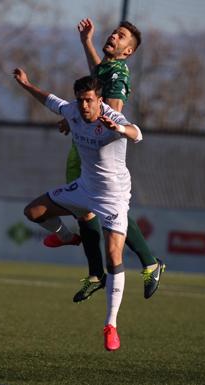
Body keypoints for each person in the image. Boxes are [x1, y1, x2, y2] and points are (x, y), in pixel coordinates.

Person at [14, 67, 141, 351]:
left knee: (113, 255)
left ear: (100, 101)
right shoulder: (72, 111)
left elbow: (136, 133)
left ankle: (111, 325)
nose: (83, 105)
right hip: (84, 189)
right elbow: (49, 100)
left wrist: (118, 129)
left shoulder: (111, 118)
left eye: (89, 100)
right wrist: (27, 84)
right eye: (80, 100)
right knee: (33, 211)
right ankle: (65, 236)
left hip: (113, 197)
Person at [45, 18, 165, 303]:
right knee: (90, 206)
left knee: (97, 206)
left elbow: (110, 110)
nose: (114, 35)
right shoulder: (108, 68)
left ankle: (123, 267)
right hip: (85, 143)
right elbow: (96, 81)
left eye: (121, 36)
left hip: (95, 148)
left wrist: (78, 120)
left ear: (128, 51)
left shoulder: (119, 73)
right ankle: (103, 272)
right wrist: (86, 41)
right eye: (114, 32)